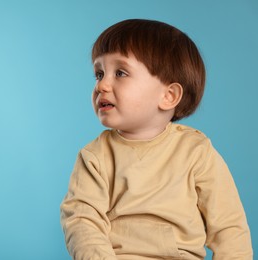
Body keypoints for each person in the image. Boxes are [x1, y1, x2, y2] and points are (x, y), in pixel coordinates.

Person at [60, 19, 253, 260]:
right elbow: (82, 220)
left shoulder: (196, 152)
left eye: (120, 72)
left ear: (168, 96)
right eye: (99, 74)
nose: (102, 85)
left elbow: (228, 227)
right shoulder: (95, 157)